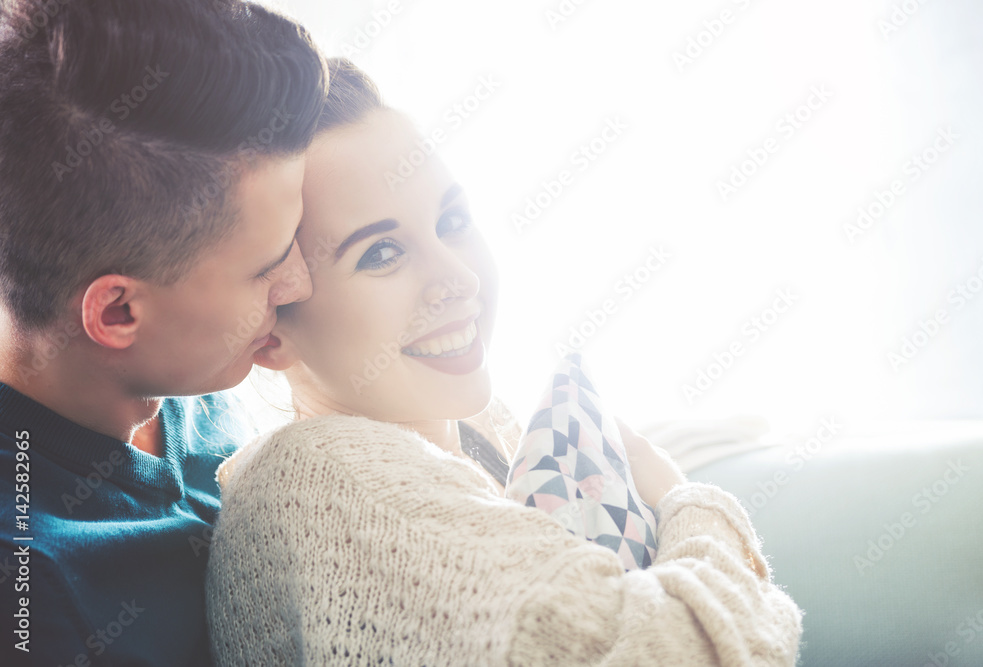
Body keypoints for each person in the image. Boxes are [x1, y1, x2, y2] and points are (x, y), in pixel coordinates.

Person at [206, 58, 803, 665]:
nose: (459, 277)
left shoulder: (477, 430)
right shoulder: (324, 478)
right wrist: (685, 498)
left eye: (452, 221)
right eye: (382, 252)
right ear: (270, 330)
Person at [0, 0, 328, 664]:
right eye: (268, 267)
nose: (301, 282)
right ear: (117, 312)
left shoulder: (198, 365)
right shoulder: (39, 598)